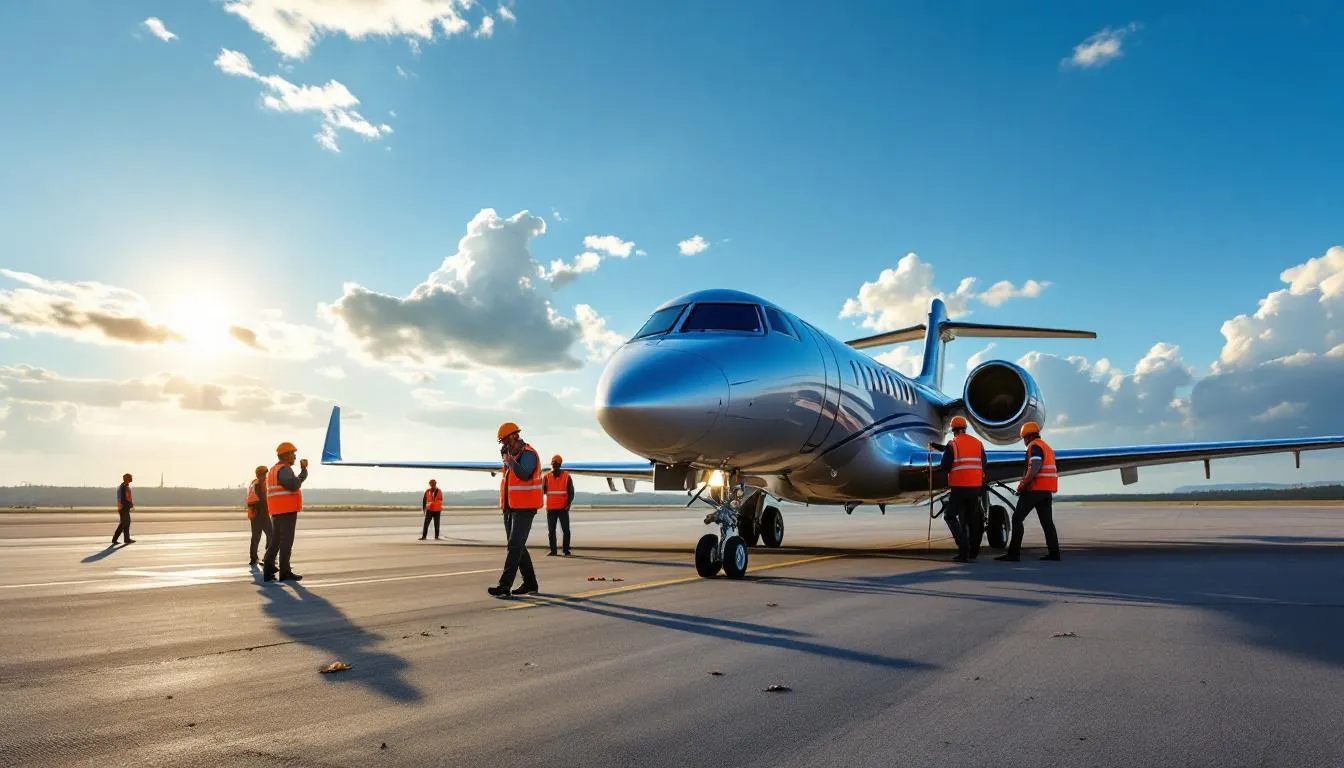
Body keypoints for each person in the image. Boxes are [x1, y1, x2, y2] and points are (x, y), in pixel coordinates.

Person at [489, 422, 541, 598]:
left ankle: (504, 586)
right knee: (517, 546)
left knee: (514, 546)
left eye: (505, 441)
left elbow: (524, 474)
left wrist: (510, 461)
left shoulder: (528, 454)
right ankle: (531, 584)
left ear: (514, 436)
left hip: (525, 508)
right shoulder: (511, 456)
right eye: (501, 443)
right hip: (510, 507)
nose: (504, 445)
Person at [997, 421, 1062, 562]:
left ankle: (1013, 554)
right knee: (1047, 523)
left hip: (1034, 489)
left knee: (1017, 519)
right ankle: (1054, 553)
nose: (1024, 442)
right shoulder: (1047, 447)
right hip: (1046, 491)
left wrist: (1022, 484)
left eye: (1024, 438)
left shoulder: (1035, 447)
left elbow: (1035, 467)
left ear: (1028, 436)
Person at [932, 416, 985, 563]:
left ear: (953, 430)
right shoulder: (977, 443)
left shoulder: (953, 444)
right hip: (975, 487)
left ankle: (963, 549)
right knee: (973, 519)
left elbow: (945, 465)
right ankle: (974, 552)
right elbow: (983, 463)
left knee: (950, 516)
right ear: (965, 428)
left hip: (959, 488)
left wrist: (933, 470)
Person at [263, 441, 308, 582]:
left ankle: (269, 569)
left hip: (277, 510)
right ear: (286, 455)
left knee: (275, 542)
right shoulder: (284, 469)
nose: (295, 457)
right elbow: (293, 485)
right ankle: (285, 572)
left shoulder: (273, 470)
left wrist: (303, 472)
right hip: (286, 510)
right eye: (293, 454)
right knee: (286, 542)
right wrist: (303, 473)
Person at [544, 454, 575, 556]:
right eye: (553, 464)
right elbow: (542, 490)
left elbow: (571, 492)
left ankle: (566, 550)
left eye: (556, 464)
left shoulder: (567, 477)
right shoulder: (546, 477)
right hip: (551, 508)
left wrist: (568, 504)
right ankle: (553, 551)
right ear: (552, 465)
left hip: (562, 508)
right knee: (551, 531)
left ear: (560, 465)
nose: (555, 466)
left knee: (566, 530)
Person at [246, 465, 273, 566]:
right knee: (271, 535)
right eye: (264, 474)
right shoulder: (258, 485)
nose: (265, 476)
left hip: (255, 514)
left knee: (256, 537)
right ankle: (266, 557)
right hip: (261, 514)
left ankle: (254, 558)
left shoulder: (253, 484)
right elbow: (261, 500)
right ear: (260, 475)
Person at [112, 473, 136, 545]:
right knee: (123, 523)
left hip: (124, 507)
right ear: (127, 479)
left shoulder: (124, 486)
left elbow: (126, 497)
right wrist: (129, 504)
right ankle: (115, 539)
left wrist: (130, 504)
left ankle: (126, 539)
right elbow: (123, 499)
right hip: (123, 508)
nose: (132, 479)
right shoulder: (123, 487)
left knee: (126, 523)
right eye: (130, 478)